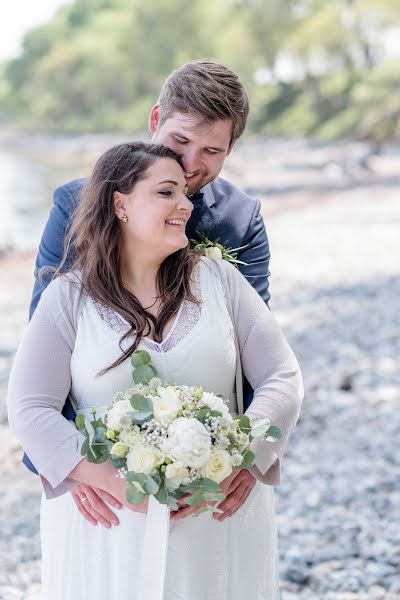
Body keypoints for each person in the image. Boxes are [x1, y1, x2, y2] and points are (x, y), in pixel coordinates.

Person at [8, 142, 303, 599]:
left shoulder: (219, 280)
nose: (186, 204)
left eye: (185, 193)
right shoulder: (68, 296)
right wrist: (100, 477)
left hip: (215, 511)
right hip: (108, 523)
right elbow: (30, 405)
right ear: (120, 204)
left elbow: (281, 376)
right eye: (167, 192)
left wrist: (246, 457)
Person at [25, 60, 272, 529]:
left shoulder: (241, 220)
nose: (190, 163)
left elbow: (256, 351)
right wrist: (72, 465)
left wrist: (250, 456)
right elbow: (46, 340)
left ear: (231, 149)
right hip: (99, 466)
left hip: (208, 467)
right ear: (156, 119)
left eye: (211, 150)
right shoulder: (76, 204)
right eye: (180, 141)